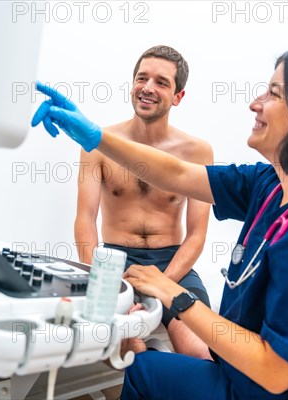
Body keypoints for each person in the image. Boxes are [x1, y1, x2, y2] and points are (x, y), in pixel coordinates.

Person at [32, 46, 288, 399]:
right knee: (148, 364)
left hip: (275, 390)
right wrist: (95, 136)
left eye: (273, 94)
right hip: (246, 373)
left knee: (143, 370)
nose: (255, 104)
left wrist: (176, 296)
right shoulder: (270, 184)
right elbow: (175, 173)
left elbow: (276, 371)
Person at [74, 45, 213, 358]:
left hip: (173, 263)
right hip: (115, 262)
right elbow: (85, 219)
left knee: (199, 351)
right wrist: (97, 280)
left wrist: (160, 284)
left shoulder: (197, 152)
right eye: (142, 78)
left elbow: (197, 234)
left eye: (162, 82)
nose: (148, 88)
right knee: (126, 351)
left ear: (178, 96)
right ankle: (146, 362)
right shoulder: (98, 144)